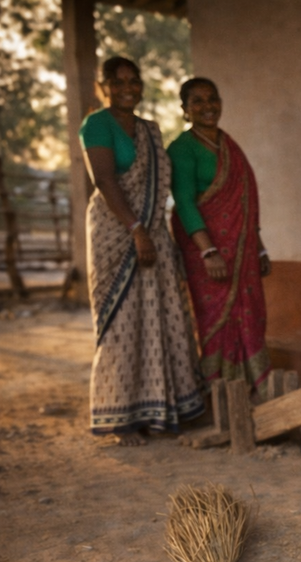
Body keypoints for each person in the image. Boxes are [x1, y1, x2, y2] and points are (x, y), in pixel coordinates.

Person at [79, 57, 204, 446]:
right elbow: (104, 179)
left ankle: (159, 409)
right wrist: (136, 229)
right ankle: (123, 418)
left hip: (151, 230)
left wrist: (151, 233)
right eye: (118, 82)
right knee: (120, 321)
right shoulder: (96, 124)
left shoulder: (150, 130)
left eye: (134, 81)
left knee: (161, 316)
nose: (127, 88)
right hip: (117, 231)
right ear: (103, 87)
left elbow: (162, 184)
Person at [167, 77, 271, 392]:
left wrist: (260, 247)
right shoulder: (181, 149)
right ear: (185, 110)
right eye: (197, 101)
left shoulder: (229, 145)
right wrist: (208, 251)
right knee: (214, 319)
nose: (207, 106)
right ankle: (219, 394)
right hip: (206, 249)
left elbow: (244, 204)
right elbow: (184, 203)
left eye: (212, 99)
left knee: (249, 315)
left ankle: (256, 390)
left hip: (241, 249)